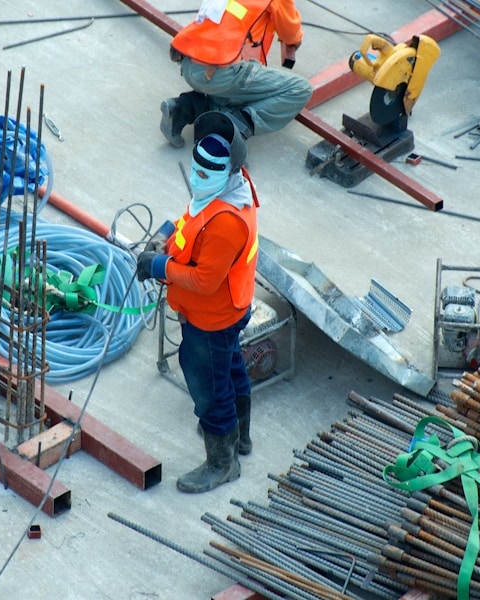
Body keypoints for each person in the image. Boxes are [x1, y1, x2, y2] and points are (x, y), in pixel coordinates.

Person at [136, 111, 259, 493]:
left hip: (212, 319)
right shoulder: (226, 191)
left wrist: (159, 266)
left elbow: (205, 281)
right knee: (230, 368)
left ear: (229, 171)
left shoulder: (226, 223)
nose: (198, 177)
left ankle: (223, 463)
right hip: (229, 311)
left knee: (209, 389)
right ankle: (239, 438)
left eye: (207, 173)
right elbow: (192, 223)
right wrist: (166, 234)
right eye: (196, 169)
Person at [160, 0, 313, 148]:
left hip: (188, 61)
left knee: (238, 90)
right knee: (300, 89)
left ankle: (183, 108)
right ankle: (232, 129)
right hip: (219, 72)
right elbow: (290, 33)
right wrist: (295, 38)